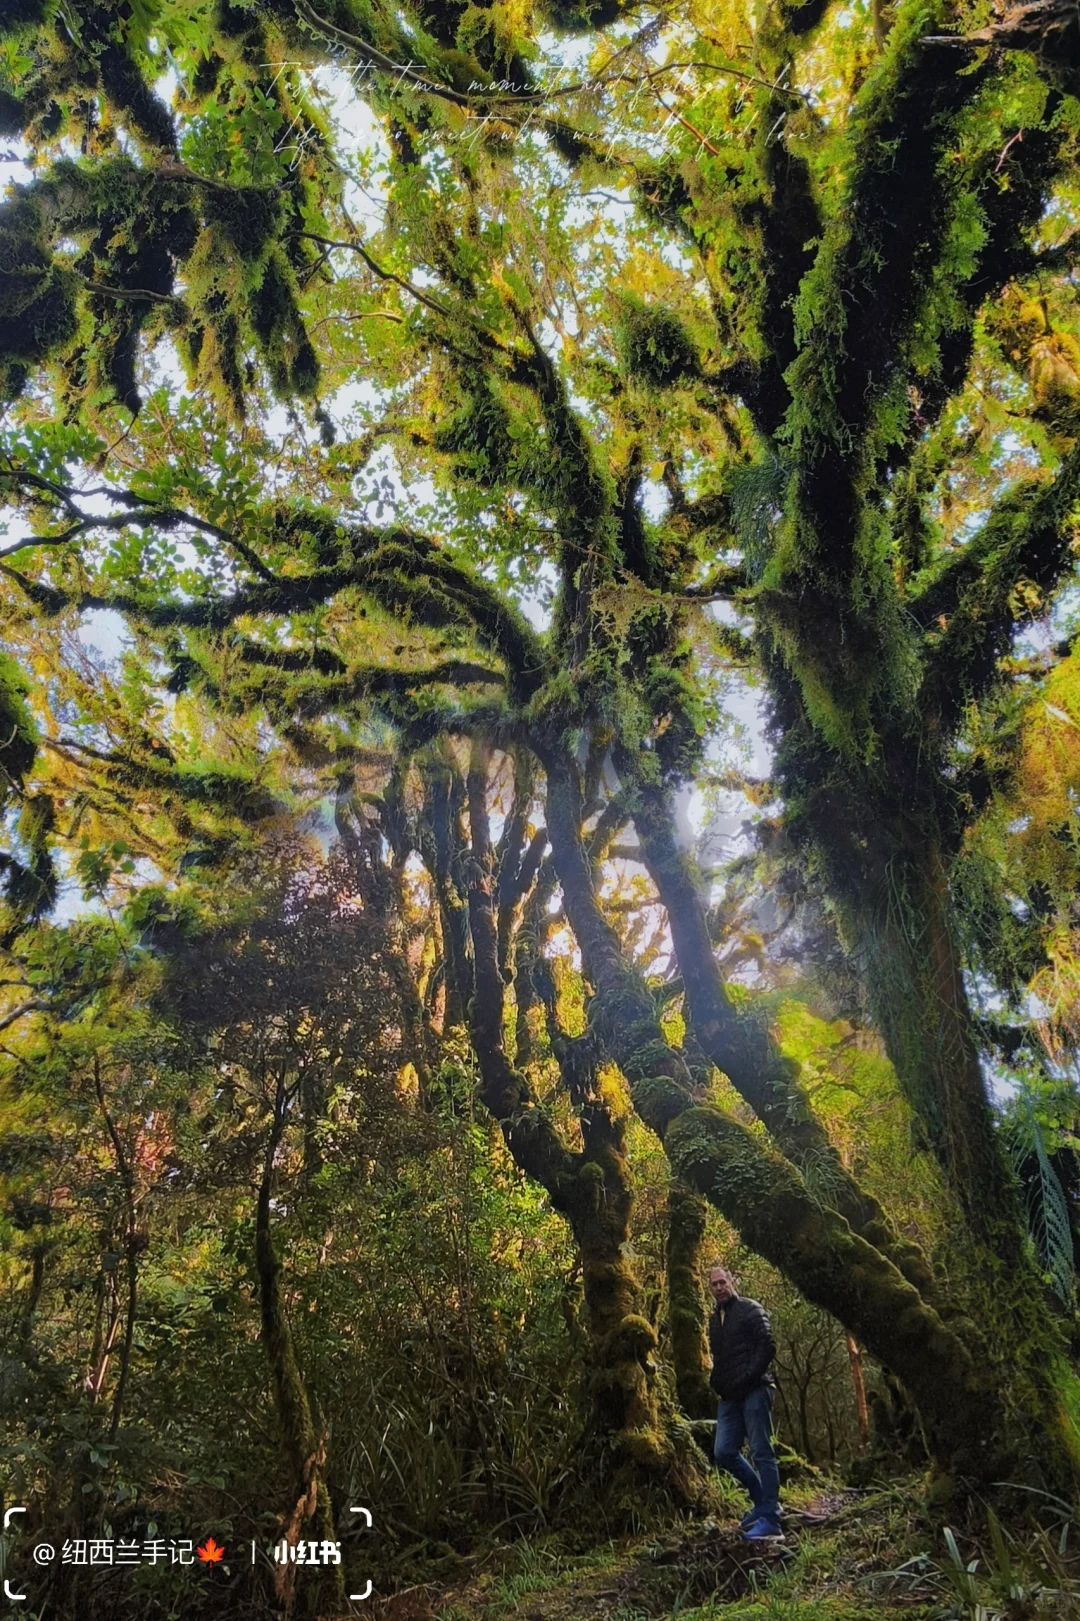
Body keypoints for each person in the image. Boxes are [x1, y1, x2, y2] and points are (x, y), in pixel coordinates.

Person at [707, 1264, 782, 1540]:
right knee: (724, 1451)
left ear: (732, 1281)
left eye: (722, 1282)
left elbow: (768, 1345)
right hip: (729, 1395)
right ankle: (763, 1501)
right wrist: (716, 1381)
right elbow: (719, 1356)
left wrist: (749, 1377)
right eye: (714, 1284)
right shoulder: (715, 1319)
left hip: (755, 1389)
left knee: (761, 1450)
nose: (719, 1288)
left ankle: (771, 1519)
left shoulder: (751, 1309)